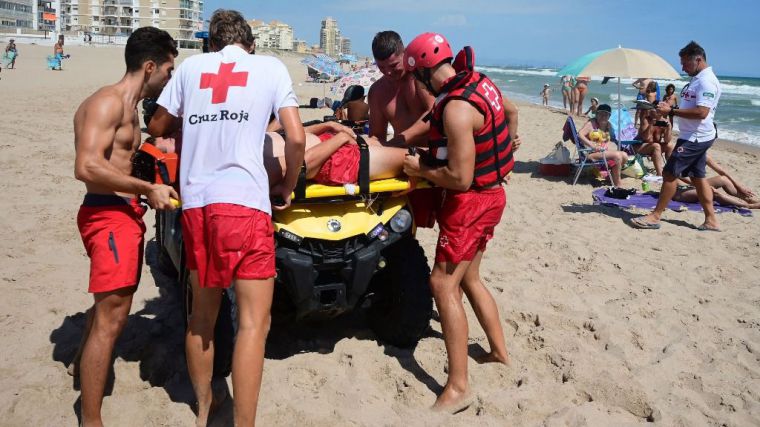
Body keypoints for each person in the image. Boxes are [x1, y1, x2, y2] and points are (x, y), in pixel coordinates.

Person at [147, 9, 305, 425]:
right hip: (247, 204)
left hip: (199, 204)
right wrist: (287, 187)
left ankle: (203, 409)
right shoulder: (270, 68)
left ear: (212, 43)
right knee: (254, 324)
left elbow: (158, 122)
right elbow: (298, 137)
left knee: (202, 316)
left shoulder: (192, 68)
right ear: (249, 43)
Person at [402, 32, 519, 413]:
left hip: (470, 203)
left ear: (421, 74)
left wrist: (421, 169)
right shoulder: (479, 81)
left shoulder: (454, 109)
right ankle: (500, 352)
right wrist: (506, 150)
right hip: (495, 195)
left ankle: (457, 387)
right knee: (469, 277)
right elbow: (513, 112)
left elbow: (459, 178)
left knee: (442, 283)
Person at [71, 27, 178, 427]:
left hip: (118, 215)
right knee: (113, 317)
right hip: (108, 216)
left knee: (108, 305)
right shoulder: (107, 103)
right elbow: (86, 166)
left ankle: (81, 361)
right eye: (167, 71)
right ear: (149, 66)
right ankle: (91, 418)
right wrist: (147, 187)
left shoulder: (130, 108)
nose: (168, 79)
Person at [631, 41, 722, 231]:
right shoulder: (698, 79)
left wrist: (671, 110)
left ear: (698, 59)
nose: (682, 67)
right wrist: (667, 110)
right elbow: (691, 108)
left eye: (685, 63)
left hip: (696, 136)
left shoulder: (706, 81)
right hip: (693, 134)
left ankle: (655, 216)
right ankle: (711, 220)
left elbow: (702, 112)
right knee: (698, 178)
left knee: (669, 173)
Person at [264, 121, 406, 186]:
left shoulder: (246, 140)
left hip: (329, 143)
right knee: (412, 157)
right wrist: (340, 139)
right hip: (336, 161)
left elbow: (292, 136)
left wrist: (328, 126)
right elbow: (298, 166)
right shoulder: (250, 162)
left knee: (398, 145)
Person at [367, 31, 435, 147]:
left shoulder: (419, 77)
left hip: (433, 151)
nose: (388, 72)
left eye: (393, 65)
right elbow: (377, 136)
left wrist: (402, 138)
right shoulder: (377, 92)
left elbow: (434, 112)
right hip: (401, 155)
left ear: (405, 53)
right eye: (381, 67)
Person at [577, 104, 630, 186]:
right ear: (596, 114)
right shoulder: (592, 123)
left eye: (606, 114)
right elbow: (580, 134)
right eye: (601, 113)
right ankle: (617, 183)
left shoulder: (608, 125)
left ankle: (613, 175)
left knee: (625, 155)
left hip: (602, 152)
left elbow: (613, 138)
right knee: (617, 156)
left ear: (609, 116)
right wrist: (591, 145)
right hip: (590, 153)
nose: (603, 116)